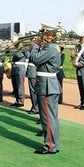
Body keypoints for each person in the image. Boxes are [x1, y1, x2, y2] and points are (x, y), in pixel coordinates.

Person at [30, 25, 61, 154]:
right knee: (50, 117)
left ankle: (50, 146)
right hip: (48, 84)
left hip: (46, 85)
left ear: (50, 35)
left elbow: (35, 59)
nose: (41, 35)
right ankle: (53, 143)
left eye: (43, 33)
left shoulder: (51, 48)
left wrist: (35, 46)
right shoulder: (51, 47)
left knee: (48, 117)